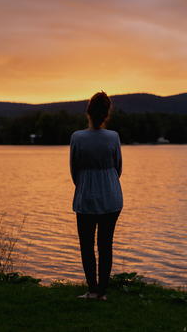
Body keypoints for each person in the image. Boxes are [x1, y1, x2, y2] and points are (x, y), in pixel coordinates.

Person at [70, 91, 123, 300]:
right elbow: (118, 168)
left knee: (87, 245)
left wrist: (85, 184)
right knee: (105, 245)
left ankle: (92, 290)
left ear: (88, 112)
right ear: (106, 114)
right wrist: (106, 182)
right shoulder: (114, 137)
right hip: (112, 196)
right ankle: (102, 292)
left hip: (86, 197)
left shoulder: (77, 137)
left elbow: (74, 170)